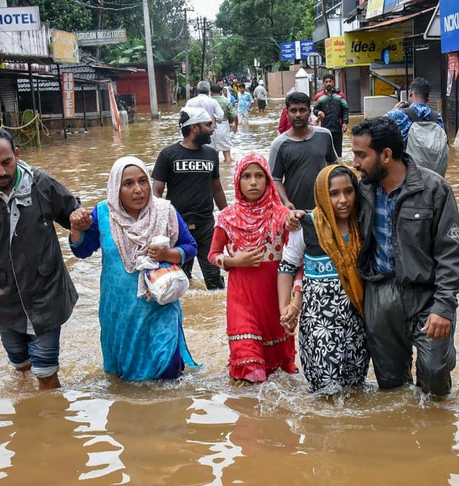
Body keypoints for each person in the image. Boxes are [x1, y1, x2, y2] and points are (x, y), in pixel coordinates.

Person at [0, 126, 87, 390]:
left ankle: (52, 423)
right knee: (20, 365)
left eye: (6, 162)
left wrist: (80, 218)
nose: (1, 172)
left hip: (46, 291)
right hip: (4, 296)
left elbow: (72, 212)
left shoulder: (41, 184)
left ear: (17, 155)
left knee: (46, 371)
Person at [350, 116, 459, 397]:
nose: (354, 163)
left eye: (361, 155)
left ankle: (436, 435)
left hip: (426, 296)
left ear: (386, 156)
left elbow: (452, 253)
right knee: (391, 386)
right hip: (379, 295)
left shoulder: (434, 189)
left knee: (435, 375)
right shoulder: (359, 191)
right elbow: (327, 214)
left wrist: (444, 307)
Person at [70, 156, 199, 381]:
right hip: (120, 310)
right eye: (128, 184)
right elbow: (82, 251)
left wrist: (167, 254)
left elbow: (190, 246)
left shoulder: (164, 211)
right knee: (128, 379)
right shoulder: (103, 214)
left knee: (168, 371)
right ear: (115, 188)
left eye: (143, 181)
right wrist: (76, 229)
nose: (138, 190)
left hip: (160, 305)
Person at [278, 164, 369, 395]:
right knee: (325, 392)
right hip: (319, 324)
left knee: (354, 389)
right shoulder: (307, 224)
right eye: (334, 193)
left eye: (348, 191)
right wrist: (285, 307)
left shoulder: (363, 224)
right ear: (321, 194)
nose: (343, 200)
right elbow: (287, 267)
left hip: (357, 322)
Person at [208, 152, 296, 385]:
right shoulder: (227, 218)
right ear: (237, 181)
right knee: (250, 370)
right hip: (241, 300)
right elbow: (212, 255)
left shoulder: (282, 217)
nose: (253, 182)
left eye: (259, 176)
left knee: (278, 377)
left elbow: (296, 261)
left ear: (268, 181)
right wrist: (234, 262)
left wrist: (293, 302)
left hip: (274, 300)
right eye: (246, 176)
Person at [152, 107, 228, 290]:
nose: (212, 128)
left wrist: (228, 217)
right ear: (194, 127)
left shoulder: (211, 154)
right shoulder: (168, 155)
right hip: (178, 228)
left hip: (206, 226)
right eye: (208, 124)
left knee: (214, 281)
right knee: (178, 281)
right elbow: (156, 193)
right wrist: (155, 224)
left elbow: (217, 189)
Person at [268, 91, 338, 211]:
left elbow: (334, 166)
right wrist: (286, 202)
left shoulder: (324, 135)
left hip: (323, 208)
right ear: (287, 114)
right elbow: (275, 179)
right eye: (293, 111)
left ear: (309, 112)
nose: (298, 115)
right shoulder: (279, 144)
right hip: (294, 211)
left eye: (302, 110)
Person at [386, 77, 445, 142]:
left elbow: (376, 127)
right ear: (428, 98)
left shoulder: (400, 114)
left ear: (411, 93)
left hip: (408, 152)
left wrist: (394, 110)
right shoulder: (437, 117)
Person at [313, 74, 349, 161]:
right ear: (323, 83)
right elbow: (314, 109)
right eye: (326, 82)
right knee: (326, 152)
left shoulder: (340, 95)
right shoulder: (319, 96)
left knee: (338, 153)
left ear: (333, 82)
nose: (328, 83)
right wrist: (318, 112)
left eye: (330, 81)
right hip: (325, 129)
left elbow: (345, 110)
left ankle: (337, 170)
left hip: (337, 129)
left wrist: (345, 122)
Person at [210, 83, 237, 164]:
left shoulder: (208, 101)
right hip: (224, 127)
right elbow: (234, 115)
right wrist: (236, 126)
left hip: (210, 127)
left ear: (211, 92)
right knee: (226, 152)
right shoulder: (225, 101)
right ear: (221, 92)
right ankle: (228, 171)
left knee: (214, 152)